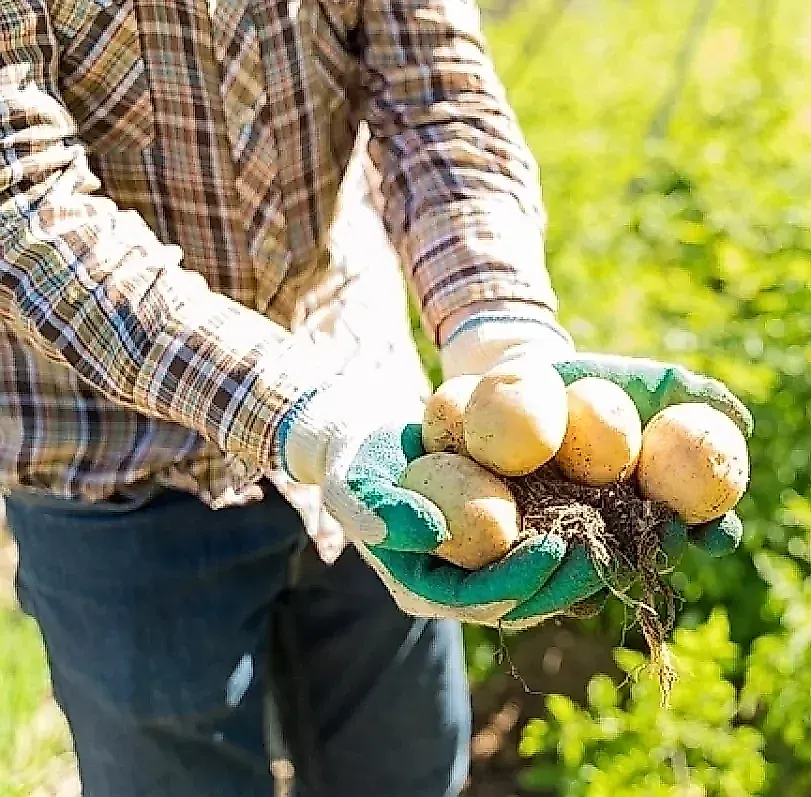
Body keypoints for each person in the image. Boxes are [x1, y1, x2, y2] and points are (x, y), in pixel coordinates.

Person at [0, 0, 752, 794]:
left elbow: (435, 93)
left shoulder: (407, 456)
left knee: (406, 769)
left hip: (377, 426)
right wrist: (308, 417)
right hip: (113, 460)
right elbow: (24, 207)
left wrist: (501, 332)